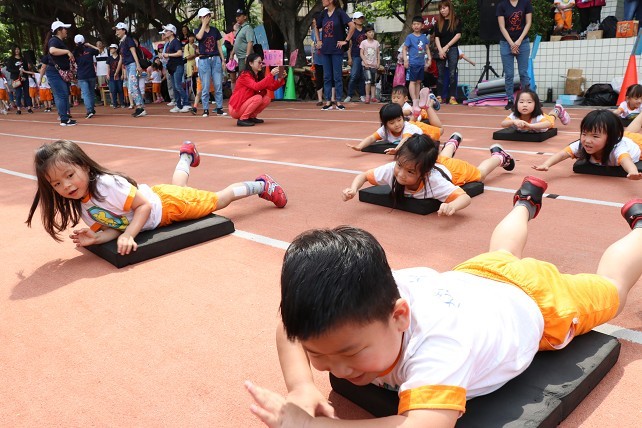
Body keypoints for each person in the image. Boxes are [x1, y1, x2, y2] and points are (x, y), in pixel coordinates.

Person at [246, 173, 642, 427]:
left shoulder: (439, 345)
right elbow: (287, 327)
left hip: (541, 302)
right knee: (502, 253)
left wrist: (315, 426)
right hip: (476, 276)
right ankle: (525, 202)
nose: (339, 369)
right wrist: (301, 386)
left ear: (400, 316)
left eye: (350, 352)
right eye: (319, 355)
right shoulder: (367, 296)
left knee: (612, 287)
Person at [26, 140, 288, 256]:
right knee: (181, 188)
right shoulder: (83, 207)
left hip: (167, 207)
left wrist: (130, 235)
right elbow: (114, 227)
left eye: (70, 175)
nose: (66, 185)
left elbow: (143, 207)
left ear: (84, 166)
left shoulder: (106, 185)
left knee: (218, 200)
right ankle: (186, 156)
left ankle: (261, 185)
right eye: (57, 184)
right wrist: (97, 238)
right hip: (164, 203)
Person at [343, 133, 514, 216]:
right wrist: (353, 189)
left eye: (410, 172)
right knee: (441, 157)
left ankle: (499, 157)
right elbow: (364, 176)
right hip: (435, 163)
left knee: (480, 174)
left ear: (424, 173)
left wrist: (453, 206)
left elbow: (465, 198)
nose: (401, 175)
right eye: (400, 166)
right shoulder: (394, 169)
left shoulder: (435, 182)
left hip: (452, 170)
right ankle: (452, 142)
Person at [533, 109, 642, 179]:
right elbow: (562, 154)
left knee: (631, 132)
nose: (587, 140)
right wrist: (546, 164)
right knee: (629, 131)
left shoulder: (619, 149)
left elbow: (626, 161)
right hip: (625, 138)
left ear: (610, 138)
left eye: (595, 136)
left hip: (638, 144)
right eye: (584, 134)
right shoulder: (581, 144)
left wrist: (633, 172)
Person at [347, 103, 441, 152]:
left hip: (422, 130)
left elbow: (405, 139)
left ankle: (428, 106)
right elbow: (372, 138)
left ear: (403, 118)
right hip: (412, 124)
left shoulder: (407, 128)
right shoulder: (384, 130)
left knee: (441, 130)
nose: (396, 124)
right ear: (385, 124)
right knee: (413, 121)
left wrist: (396, 149)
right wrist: (360, 146)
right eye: (392, 123)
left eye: (399, 120)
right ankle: (416, 114)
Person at [314, 0, 356, 111]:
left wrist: (346, 41)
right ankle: (328, 101)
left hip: (337, 49)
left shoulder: (339, 12)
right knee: (327, 76)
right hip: (325, 49)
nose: (322, 1)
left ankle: (338, 101)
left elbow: (352, 26)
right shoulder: (323, 13)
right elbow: (316, 26)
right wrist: (318, 40)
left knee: (337, 76)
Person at [229, 53, 285, 127]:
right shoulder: (244, 75)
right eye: (259, 62)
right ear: (251, 63)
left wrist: (279, 79)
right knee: (258, 98)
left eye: (262, 63)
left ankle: (251, 117)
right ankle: (243, 119)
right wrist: (271, 75)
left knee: (266, 99)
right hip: (236, 108)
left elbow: (272, 87)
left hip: (243, 105)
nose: (261, 64)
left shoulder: (258, 75)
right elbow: (256, 87)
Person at [497, 0, 532, 110]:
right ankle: (510, 100)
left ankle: (528, 99)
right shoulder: (502, 5)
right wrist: (512, 44)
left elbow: (528, 23)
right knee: (509, 74)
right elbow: (502, 26)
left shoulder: (525, 3)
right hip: (506, 43)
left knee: (523, 72)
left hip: (523, 42)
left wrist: (519, 41)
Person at [195, 7, 227, 117]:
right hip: (204, 60)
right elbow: (199, 37)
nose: (207, 18)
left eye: (208, 16)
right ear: (200, 18)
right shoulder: (197, 30)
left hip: (215, 58)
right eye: (204, 16)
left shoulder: (215, 30)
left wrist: (223, 60)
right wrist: (204, 24)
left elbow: (219, 45)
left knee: (218, 84)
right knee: (205, 85)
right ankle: (205, 109)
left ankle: (219, 108)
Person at [44, 20, 75, 126]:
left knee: (61, 95)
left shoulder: (58, 41)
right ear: (59, 30)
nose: (66, 30)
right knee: (62, 95)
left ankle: (64, 116)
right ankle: (64, 119)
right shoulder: (54, 40)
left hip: (57, 72)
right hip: (55, 72)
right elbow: (52, 50)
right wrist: (67, 51)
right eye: (64, 28)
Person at [114, 22, 146, 117]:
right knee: (133, 87)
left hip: (132, 65)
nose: (116, 32)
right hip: (127, 66)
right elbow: (121, 59)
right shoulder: (121, 43)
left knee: (133, 87)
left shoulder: (128, 40)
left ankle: (139, 107)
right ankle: (140, 107)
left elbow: (133, 52)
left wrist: (138, 65)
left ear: (124, 30)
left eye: (118, 30)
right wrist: (116, 72)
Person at [501, 90, 571, 132]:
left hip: (545, 119)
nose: (524, 105)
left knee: (551, 117)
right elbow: (503, 123)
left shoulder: (538, 117)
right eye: (521, 102)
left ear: (535, 104)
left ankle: (558, 109)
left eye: (529, 102)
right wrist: (514, 121)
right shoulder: (514, 115)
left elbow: (548, 124)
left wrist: (529, 126)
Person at [434, 0, 462, 105]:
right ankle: (439, 96)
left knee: (452, 73)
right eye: (440, 8)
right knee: (440, 74)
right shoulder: (438, 23)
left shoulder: (456, 20)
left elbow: (458, 35)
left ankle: (452, 97)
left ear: (449, 8)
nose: (442, 10)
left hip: (453, 48)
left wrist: (447, 46)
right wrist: (440, 50)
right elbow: (436, 37)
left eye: (444, 8)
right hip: (441, 49)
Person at [402, 16, 431, 111]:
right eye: (414, 24)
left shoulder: (424, 37)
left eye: (418, 24)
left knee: (418, 82)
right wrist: (405, 60)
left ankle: (417, 100)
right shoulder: (410, 37)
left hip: (421, 63)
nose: (416, 26)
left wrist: (429, 59)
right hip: (413, 63)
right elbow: (404, 49)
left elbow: (427, 48)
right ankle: (414, 101)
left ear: (422, 25)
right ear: (412, 26)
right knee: (412, 81)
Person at [161, 24, 191, 113]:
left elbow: (179, 53)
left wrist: (168, 55)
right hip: (172, 67)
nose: (165, 32)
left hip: (178, 66)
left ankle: (186, 103)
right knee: (174, 87)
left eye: (167, 31)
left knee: (178, 86)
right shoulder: (170, 43)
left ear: (172, 32)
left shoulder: (176, 42)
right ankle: (178, 105)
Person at [73, 35, 99, 119]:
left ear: (75, 42)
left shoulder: (75, 52)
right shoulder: (89, 50)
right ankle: (92, 109)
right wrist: (90, 45)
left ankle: (89, 110)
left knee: (85, 93)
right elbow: (98, 50)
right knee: (91, 92)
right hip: (91, 74)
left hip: (81, 75)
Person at [344, 11, 367, 103]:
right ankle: (349, 95)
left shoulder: (366, 30)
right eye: (359, 18)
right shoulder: (352, 31)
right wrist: (349, 57)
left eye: (362, 18)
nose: (361, 20)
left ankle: (362, 95)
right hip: (355, 55)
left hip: (365, 56)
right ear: (354, 20)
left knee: (362, 76)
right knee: (354, 75)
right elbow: (349, 45)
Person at [6, 46, 33, 114]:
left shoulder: (23, 59)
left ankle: (29, 108)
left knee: (27, 93)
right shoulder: (11, 59)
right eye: (15, 49)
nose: (17, 50)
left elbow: (26, 69)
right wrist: (18, 71)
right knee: (18, 93)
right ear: (13, 50)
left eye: (18, 49)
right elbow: (8, 69)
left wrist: (24, 74)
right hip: (16, 79)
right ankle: (18, 109)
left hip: (24, 78)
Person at [359, 24, 380, 104]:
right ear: (366, 34)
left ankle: (373, 97)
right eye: (369, 32)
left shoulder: (376, 43)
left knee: (373, 82)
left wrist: (378, 62)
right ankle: (367, 96)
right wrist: (365, 62)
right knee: (368, 81)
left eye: (372, 32)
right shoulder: (363, 43)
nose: (372, 33)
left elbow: (378, 53)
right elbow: (361, 53)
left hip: (374, 65)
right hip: (366, 65)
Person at [232, 8, 255, 73]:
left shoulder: (248, 28)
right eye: (236, 16)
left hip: (244, 56)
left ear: (245, 17)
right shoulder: (240, 28)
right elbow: (236, 42)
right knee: (242, 74)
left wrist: (247, 56)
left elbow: (250, 42)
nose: (237, 18)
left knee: (244, 74)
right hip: (240, 57)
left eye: (239, 16)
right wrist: (232, 53)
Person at [106, 44, 124, 108]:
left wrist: (122, 74)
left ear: (116, 49)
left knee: (120, 89)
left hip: (119, 75)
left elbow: (122, 66)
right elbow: (108, 67)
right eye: (110, 49)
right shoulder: (109, 58)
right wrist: (108, 74)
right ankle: (114, 103)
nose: (111, 50)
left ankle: (122, 103)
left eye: (112, 48)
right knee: (113, 90)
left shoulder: (120, 57)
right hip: (111, 75)